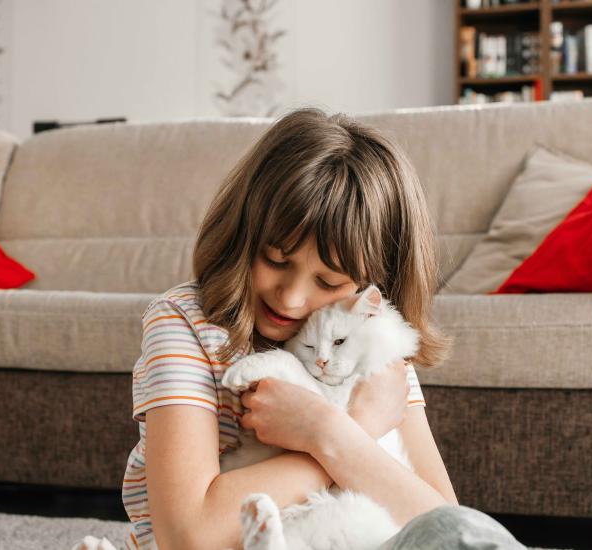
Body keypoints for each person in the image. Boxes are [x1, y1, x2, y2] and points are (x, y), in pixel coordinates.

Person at [120, 107, 526, 550]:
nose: (291, 298)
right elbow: (190, 535)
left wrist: (327, 432)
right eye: (276, 260)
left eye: (328, 282)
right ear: (244, 234)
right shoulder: (185, 324)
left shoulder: (366, 340)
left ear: (374, 285)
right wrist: (349, 429)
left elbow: (440, 523)